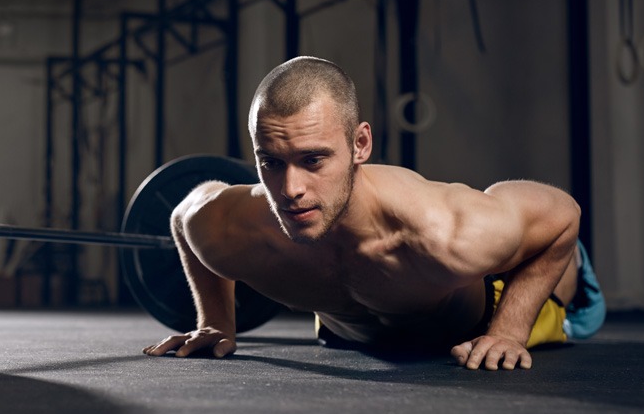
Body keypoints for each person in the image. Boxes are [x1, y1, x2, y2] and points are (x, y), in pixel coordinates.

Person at [143, 56, 606, 370]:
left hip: (481, 305)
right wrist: (218, 321)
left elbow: (563, 213)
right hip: (356, 327)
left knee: (551, 260)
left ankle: (576, 271)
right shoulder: (231, 227)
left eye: (313, 160)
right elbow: (185, 215)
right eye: (271, 162)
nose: (291, 190)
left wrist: (509, 330)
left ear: (360, 144)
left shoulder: (447, 233)